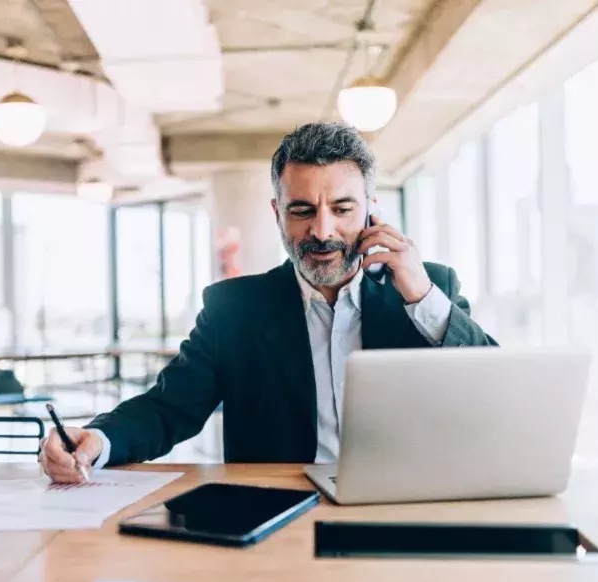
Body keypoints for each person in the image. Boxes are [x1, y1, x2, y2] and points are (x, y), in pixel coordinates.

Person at [41, 122, 497, 483]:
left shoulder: (428, 288)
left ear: (370, 209)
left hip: (405, 510)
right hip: (277, 516)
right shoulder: (234, 308)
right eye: (302, 210)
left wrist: (423, 299)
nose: (322, 231)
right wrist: (97, 439)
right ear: (278, 213)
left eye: (342, 209)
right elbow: (168, 408)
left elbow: (491, 395)